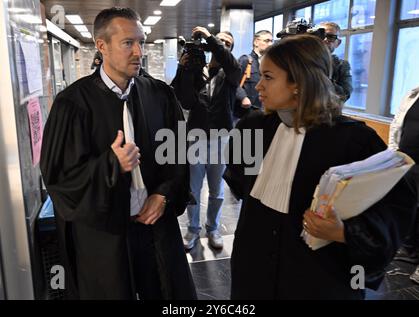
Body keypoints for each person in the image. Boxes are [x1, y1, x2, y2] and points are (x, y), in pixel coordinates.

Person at [223, 34, 416, 299]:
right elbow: (238, 181)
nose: (258, 87)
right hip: (253, 266)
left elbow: (394, 209)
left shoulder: (356, 141)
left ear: (299, 83)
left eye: (268, 77)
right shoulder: (251, 128)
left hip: (318, 275)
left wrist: (346, 232)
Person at [40, 7, 196, 300]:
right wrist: (110, 165)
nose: (139, 51)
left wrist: (162, 194)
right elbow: (60, 179)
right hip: (104, 237)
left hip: (154, 228)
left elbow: (176, 154)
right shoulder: (72, 105)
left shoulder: (159, 95)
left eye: (142, 41)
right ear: (102, 46)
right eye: (128, 43)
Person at [172, 27, 241, 250]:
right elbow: (186, 102)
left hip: (220, 138)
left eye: (226, 44)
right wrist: (184, 69)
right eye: (219, 42)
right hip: (196, 138)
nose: (221, 46)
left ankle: (213, 229)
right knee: (192, 189)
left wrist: (211, 38)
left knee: (216, 190)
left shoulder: (231, 73)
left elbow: (229, 62)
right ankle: (192, 230)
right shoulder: (197, 69)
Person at [389, 86, 419, 284]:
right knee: (410, 207)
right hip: (405, 162)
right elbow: (396, 126)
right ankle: (410, 250)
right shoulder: (412, 94)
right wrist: (392, 155)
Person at [234, 30, 273, 119]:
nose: (270, 44)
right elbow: (234, 81)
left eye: (271, 41)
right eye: (267, 41)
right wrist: (243, 97)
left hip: (263, 112)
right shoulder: (246, 60)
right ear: (256, 42)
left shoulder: (269, 63)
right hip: (245, 112)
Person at [319, 22, 352, 102]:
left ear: (338, 43)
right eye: (322, 36)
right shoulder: (304, 60)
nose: (325, 40)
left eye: (331, 37)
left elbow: (345, 94)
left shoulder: (342, 65)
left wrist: (323, 79)